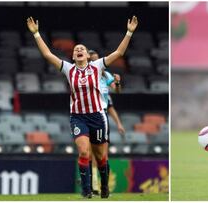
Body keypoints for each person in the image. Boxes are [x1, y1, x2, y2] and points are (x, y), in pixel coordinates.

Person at [26, 16, 138, 198]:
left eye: (82, 49)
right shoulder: (68, 69)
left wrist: (129, 32)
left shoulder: (97, 66)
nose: (79, 50)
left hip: (97, 116)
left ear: (87, 55)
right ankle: (86, 190)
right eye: (76, 49)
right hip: (78, 117)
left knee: (101, 157)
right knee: (84, 151)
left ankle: (104, 186)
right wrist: (37, 34)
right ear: (73, 55)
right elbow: (48, 55)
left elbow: (118, 53)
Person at [88, 49, 126, 195]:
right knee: (89, 152)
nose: (98, 63)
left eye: (99, 59)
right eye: (93, 60)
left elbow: (116, 93)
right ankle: (93, 185)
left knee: (103, 153)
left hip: (102, 117)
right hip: (87, 114)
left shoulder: (105, 75)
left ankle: (103, 185)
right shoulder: (85, 76)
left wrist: (117, 83)